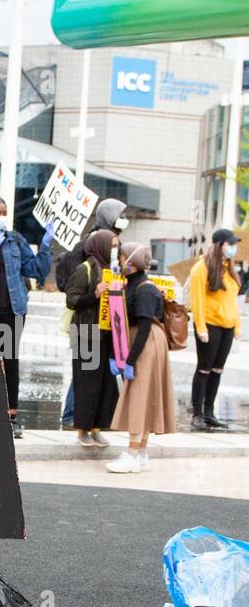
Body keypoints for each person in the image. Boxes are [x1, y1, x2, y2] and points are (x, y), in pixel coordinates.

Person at [0, 195, 54, 437]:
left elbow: (35, 270)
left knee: (11, 360)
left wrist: (46, 246)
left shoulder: (16, 240)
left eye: (5, 212)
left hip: (13, 311)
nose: (1, 216)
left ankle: (11, 417)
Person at [55, 198, 128, 428]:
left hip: (104, 321)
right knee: (86, 371)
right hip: (87, 324)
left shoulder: (109, 247)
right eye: (120, 214)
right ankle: (72, 415)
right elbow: (73, 295)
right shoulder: (93, 247)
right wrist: (93, 295)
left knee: (96, 373)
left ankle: (94, 419)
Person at [108, 242, 176, 473]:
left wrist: (129, 360)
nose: (120, 262)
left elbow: (145, 327)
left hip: (146, 344)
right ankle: (141, 452)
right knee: (144, 397)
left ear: (131, 260)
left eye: (122, 257)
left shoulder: (144, 289)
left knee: (138, 397)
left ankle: (133, 453)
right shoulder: (134, 285)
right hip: (144, 343)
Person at [63, 229, 119, 448]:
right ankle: (82, 429)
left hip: (105, 334)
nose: (115, 250)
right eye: (112, 245)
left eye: (117, 246)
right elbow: (72, 300)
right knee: (87, 383)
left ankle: (97, 427)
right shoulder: (85, 269)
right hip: (86, 334)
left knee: (105, 383)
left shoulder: (112, 271)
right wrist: (93, 295)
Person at [186, 227, 241, 430]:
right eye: (230, 244)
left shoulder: (229, 268)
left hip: (227, 326)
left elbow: (232, 300)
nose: (234, 248)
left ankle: (209, 412)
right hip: (209, 324)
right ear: (220, 245)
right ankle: (197, 413)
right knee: (204, 369)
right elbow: (197, 300)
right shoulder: (201, 268)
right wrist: (201, 327)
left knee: (217, 370)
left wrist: (237, 326)